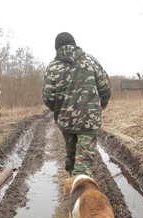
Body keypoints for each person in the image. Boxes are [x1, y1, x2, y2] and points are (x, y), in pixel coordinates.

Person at [42, 32, 111, 177]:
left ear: (56, 48)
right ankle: (81, 191)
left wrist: (58, 110)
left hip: (66, 120)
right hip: (89, 119)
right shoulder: (90, 60)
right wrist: (103, 102)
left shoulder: (52, 67)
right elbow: (104, 85)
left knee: (71, 156)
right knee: (84, 161)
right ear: (74, 43)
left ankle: (74, 187)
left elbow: (48, 97)